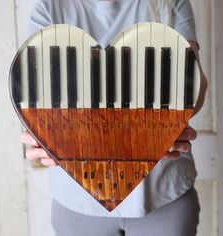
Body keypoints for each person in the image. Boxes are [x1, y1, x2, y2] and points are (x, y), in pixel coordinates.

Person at [20, 0, 208, 235]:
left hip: (164, 196)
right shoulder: (49, 9)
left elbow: (194, 85)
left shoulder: (169, 3)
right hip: (78, 204)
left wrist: (174, 119)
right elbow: (34, 94)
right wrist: (40, 131)